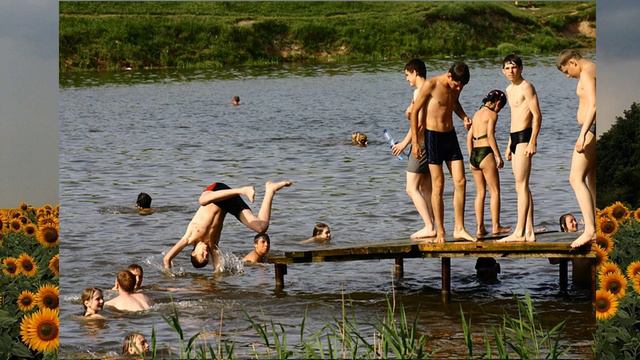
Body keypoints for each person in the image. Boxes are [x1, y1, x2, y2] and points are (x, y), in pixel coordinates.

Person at [163, 180, 292, 273]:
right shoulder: (213, 246)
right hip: (229, 203)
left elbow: (167, 258)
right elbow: (218, 270)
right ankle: (270, 190)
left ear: (193, 252)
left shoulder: (189, 238)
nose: (206, 254)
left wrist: (169, 277)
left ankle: (243, 190)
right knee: (261, 227)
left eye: (201, 255)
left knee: (202, 200)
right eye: (207, 257)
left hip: (216, 193)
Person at [409, 61, 474, 243]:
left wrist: (463, 117)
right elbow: (415, 112)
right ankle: (440, 231)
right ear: (449, 75)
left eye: (462, 85)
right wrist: (415, 142)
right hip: (433, 137)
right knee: (439, 184)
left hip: (450, 136)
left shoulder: (458, 85)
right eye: (456, 84)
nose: (459, 88)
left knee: (461, 181)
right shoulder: (431, 85)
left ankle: (459, 228)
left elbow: (454, 102)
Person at [497, 54, 542, 243]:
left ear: (521, 68)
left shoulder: (527, 87)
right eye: (507, 68)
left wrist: (533, 141)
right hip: (514, 138)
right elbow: (514, 117)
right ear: (502, 71)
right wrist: (508, 145)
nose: (510, 71)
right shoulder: (509, 89)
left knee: (521, 185)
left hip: (525, 137)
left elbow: (537, 116)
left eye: (514, 67)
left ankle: (519, 230)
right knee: (520, 186)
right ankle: (529, 230)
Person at [556, 49, 596, 248]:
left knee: (575, 178)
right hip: (593, 129)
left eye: (566, 71)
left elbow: (595, 104)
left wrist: (583, 134)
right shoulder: (592, 69)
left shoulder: (587, 72)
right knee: (592, 178)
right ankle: (597, 223)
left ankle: (589, 229)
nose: (566, 76)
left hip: (591, 129)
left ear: (573, 62)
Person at [391, 59, 436, 239]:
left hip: (422, 144)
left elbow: (419, 124)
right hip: (431, 142)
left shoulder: (421, 91)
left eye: (407, 75)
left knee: (411, 188)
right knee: (425, 187)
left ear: (415, 72)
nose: (407, 79)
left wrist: (404, 143)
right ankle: (434, 225)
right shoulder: (430, 88)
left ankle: (429, 226)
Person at [466, 90, 511, 237]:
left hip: (474, 154)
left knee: (480, 192)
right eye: (500, 107)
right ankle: (496, 226)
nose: (499, 110)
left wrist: (471, 156)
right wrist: (498, 156)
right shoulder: (492, 115)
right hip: (486, 152)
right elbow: (490, 135)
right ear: (498, 103)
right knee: (495, 191)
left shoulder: (477, 113)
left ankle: (480, 228)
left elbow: (469, 137)